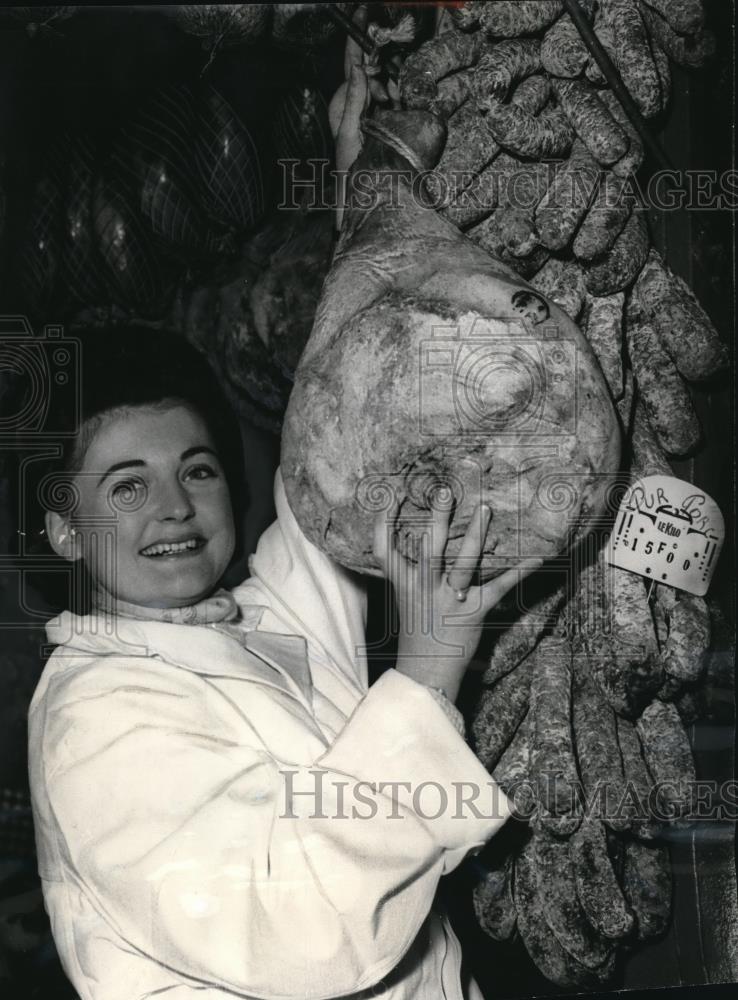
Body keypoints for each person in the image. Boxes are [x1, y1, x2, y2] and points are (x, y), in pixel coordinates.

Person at [27, 327, 541, 999]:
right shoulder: (92, 720)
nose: (177, 506)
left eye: (197, 470)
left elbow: (334, 473)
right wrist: (427, 672)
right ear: (66, 530)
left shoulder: (260, 622)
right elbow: (300, 932)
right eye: (129, 488)